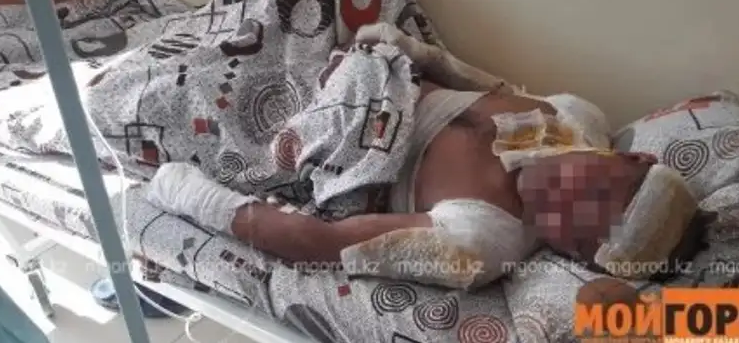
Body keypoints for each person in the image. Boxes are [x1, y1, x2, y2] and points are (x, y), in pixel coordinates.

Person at [147, 77, 655, 275]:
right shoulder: (576, 119)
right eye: (593, 193)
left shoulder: (483, 235)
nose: (559, 207)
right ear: (633, 158)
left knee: (156, 98)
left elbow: (314, 241)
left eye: (576, 235)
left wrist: (187, 193)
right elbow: (478, 90)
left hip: (310, 125)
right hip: (366, 67)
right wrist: (412, 50)